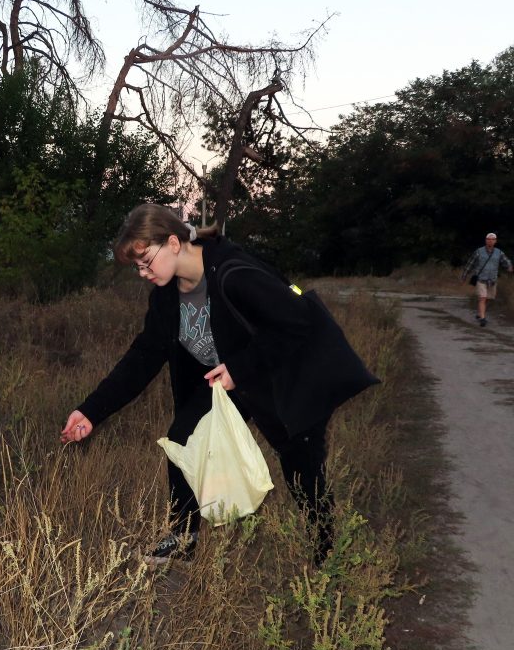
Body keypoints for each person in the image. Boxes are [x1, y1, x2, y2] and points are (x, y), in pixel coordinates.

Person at [60, 204, 379, 565]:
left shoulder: (232, 273)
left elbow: (296, 322)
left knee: (301, 464)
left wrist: (240, 367)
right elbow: (143, 357)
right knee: (183, 438)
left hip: (280, 376)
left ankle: (327, 550)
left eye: (146, 260)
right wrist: (91, 411)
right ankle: (183, 540)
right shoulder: (166, 294)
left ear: (174, 243)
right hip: (228, 382)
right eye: (136, 266)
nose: (142, 272)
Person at [462, 233, 514, 327]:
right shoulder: (479, 251)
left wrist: (509, 266)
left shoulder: (499, 252)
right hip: (481, 279)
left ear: (495, 241)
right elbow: (470, 263)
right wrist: (464, 276)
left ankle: (479, 313)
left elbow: (506, 261)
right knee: (483, 297)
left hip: (492, 280)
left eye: (492, 239)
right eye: (488, 239)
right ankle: (483, 318)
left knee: (489, 298)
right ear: (486, 240)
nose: (490, 241)